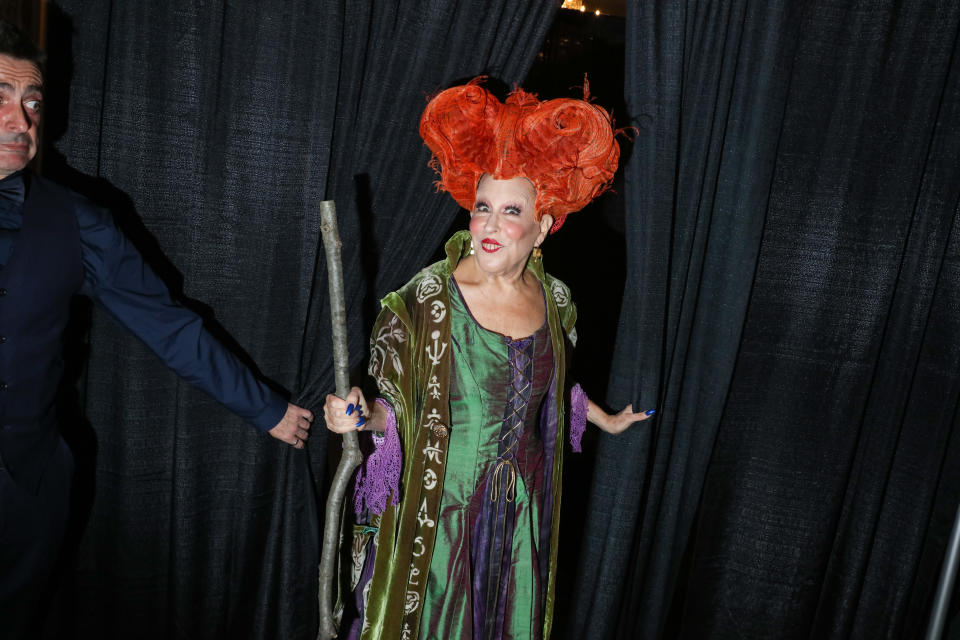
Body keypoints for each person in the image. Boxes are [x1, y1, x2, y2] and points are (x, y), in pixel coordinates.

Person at [0, 20, 313, 638]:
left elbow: (170, 326)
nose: (22, 121)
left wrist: (267, 408)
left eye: (32, 102)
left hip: (23, 497)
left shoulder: (78, 223)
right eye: (1, 99)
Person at [323, 78, 654, 640]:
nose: (491, 225)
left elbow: (554, 388)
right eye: (482, 207)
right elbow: (398, 410)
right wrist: (359, 414)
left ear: (542, 227)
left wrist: (605, 418)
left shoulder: (556, 303)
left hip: (521, 517)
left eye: (510, 210)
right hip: (441, 516)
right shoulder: (424, 303)